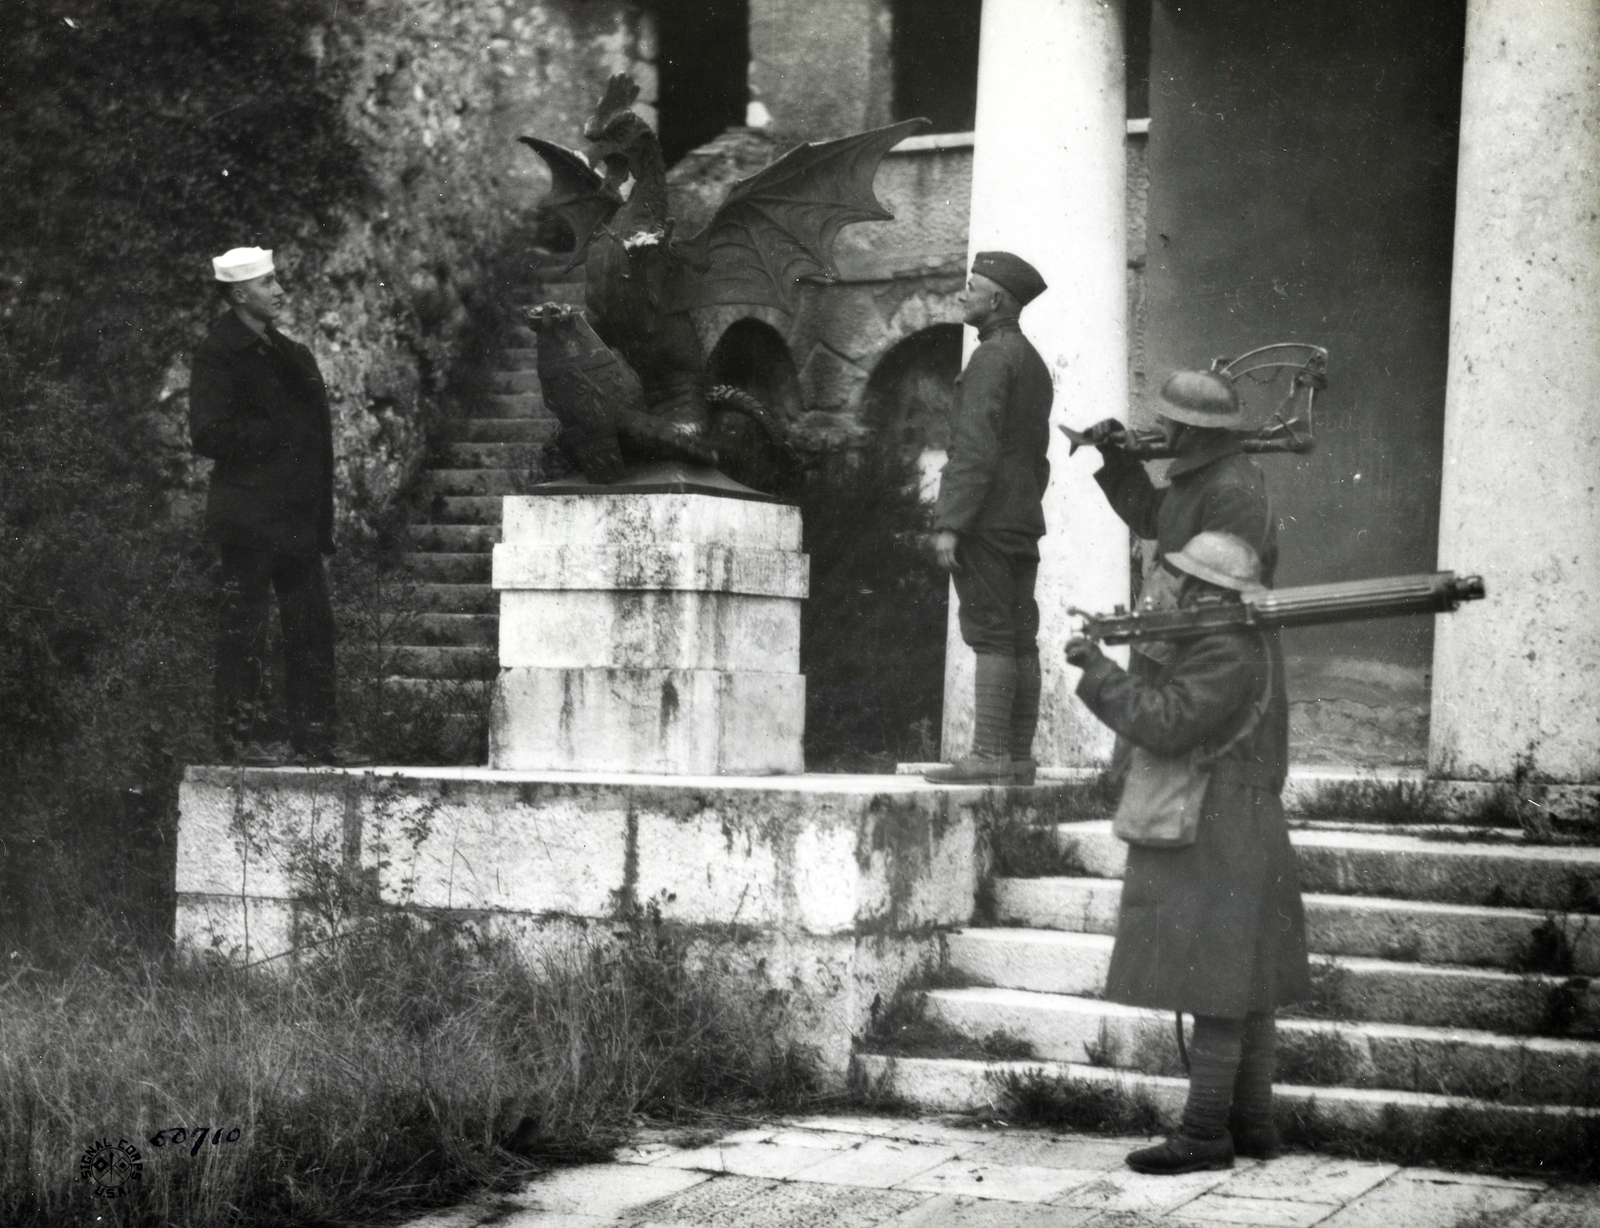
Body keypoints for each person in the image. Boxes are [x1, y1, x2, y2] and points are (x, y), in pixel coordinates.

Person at [1065, 531, 1310, 1174]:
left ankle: (1204, 1133)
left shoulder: (1225, 648)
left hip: (1216, 817)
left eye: (1187, 582)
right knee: (1246, 977)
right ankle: (1252, 1124)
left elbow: (1168, 721)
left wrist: (1099, 672)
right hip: (1241, 816)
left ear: (1209, 589)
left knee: (1216, 979)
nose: (1176, 589)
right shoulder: (1242, 640)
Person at [189, 246, 352, 765]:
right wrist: (277, 433)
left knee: (312, 630)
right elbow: (208, 433)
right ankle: (237, 742)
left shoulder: (291, 351)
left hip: (297, 517)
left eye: (276, 280)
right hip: (250, 518)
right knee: (245, 631)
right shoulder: (219, 353)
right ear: (239, 294)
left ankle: (316, 742)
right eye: (267, 283)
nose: (279, 290)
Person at [1080, 369, 1286, 776]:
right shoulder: (1199, 475)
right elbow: (1153, 518)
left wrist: (1184, 629)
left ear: (1191, 429)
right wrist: (1115, 456)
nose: (1159, 425)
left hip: (1200, 641)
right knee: (1150, 767)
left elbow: (1230, 580)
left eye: (1167, 418)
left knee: (1183, 762)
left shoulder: (1232, 487)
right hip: (1173, 628)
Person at [924, 251, 1053, 786]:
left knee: (992, 633)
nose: (963, 294)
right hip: (1022, 516)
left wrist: (951, 521)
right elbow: (1036, 455)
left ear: (995, 299)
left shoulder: (991, 360)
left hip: (986, 521)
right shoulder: (1032, 360)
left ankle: (989, 755)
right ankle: (1017, 758)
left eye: (971, 286)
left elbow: (973, 450)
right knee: (1020, 635)